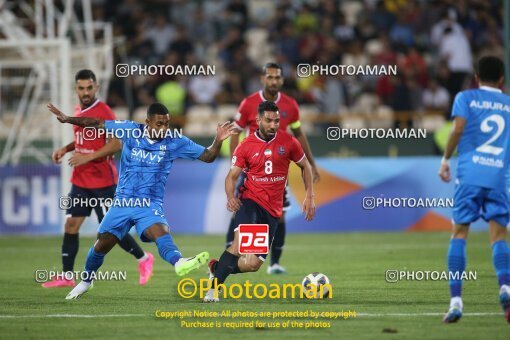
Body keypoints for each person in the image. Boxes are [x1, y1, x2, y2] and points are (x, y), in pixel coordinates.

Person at [47, 102, 237, 299]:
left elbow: (208, 156)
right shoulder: (130, 130)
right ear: (147, 122)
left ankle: (179, 262)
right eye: (159, 124)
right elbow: (96, 123)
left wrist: (218, 140)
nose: (164, 129)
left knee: (160, 231)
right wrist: (68, 119)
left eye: (166, 124)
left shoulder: (175, 141)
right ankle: (86, 281)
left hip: (149, 204)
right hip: (123, 202)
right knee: (102, 244)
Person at [42, 69, 154, 288]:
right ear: (76, 89)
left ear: (96, 87)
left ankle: (144, 258)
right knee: (71, 225)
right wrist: (65, 149)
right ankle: (67, 276)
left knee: (110, 231)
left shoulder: (104, 112)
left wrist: (87, 158)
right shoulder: (77, 111)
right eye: (81, 88)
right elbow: (81, 138)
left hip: (103, 182)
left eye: (89, 88)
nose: (85, 92)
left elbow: (115, 144)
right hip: (81, 181)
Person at [204, 101, 316, 302]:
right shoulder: (245, 146)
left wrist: (309, 195)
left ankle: (216, 268)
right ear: (258, 120)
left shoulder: (289, 142)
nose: (273, 125)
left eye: (276, 121)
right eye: (268, 120)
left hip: (272, 210)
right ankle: (212, 290)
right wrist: (231, 197)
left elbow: (305, 166)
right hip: (250, 202)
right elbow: (231, 177)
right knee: (239, 247)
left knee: (253, 264)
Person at [227, 62, 320, 275]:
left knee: (280, 216)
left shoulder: (290, 105)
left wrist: (312, 165)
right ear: (262, 79)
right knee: (240, 214)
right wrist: (235, 162)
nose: (274, 81)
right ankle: (230, 255)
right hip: (252, 167)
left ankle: (274, 263)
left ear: (282, 80)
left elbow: (298, 134)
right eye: (270, 77)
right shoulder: (249, 103)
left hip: (278, 170)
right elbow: (236, 132)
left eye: (277, 77)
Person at [438, 56, 510, 323]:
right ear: (502, 79)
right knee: (499, 237)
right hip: (499, 178)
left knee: (459, 234)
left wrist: (446, 158)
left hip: (469, 175)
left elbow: (458, 129)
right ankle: (505, 287)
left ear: (476, 77)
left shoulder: (465, 98)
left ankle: (456, 301)